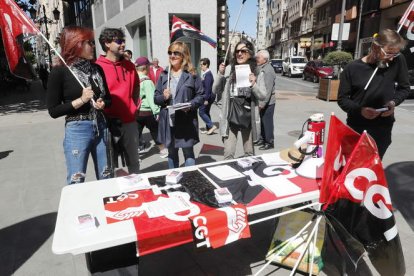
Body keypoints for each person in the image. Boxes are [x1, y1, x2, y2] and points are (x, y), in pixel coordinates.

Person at [47, 26, 112, 184]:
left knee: (107, 176)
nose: (93, 46)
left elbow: (109, 98)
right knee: (77, 179)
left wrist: (103, 103)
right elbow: (53, 110)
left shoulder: (96, 69)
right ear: (76, 44)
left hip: (101, 126)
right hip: (77, 129)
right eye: (89, 42)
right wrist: (81, 100)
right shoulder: (60, 72)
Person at [338, 29, 410, 159]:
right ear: (376, 47)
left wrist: (394, 102)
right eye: (388, 53)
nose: (392, 57)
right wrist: (360, 110)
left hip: (383, 127)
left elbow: (404, 88)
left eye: (396, 54)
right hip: (357, 126)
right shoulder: (352, 68)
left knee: (374, 166)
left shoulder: (398, 61)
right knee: (352, 166)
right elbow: (342, 99)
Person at [96, 28, 141, 174]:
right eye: (119, 41)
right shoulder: (97, 67)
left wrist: (135, 107)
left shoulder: (130, 65)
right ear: (107, 43)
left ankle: (137, 191)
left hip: (129, 121)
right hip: (107, 123)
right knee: (110, 164)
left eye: (124, 41)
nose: (123, 44)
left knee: (134, 162)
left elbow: (136, 89)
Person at [212, 40, 266, 160]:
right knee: (228, 154)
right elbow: (214, 89)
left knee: (249, 154)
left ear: (250, 53)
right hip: (230, 115)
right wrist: (220, 74)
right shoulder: (229, 69)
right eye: (237, 51)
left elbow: (263, 95)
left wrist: (254, 85)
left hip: (248, 117)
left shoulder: (257, 71)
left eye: (243, 51)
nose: (239, 54)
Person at [154, 41, 204, 168]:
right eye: (170, 53)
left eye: (176, 53)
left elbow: (201, 95)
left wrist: (191, 105)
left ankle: (191, 180)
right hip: (168, 121)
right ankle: (173, 181)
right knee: (171, 153)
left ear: (184, 55)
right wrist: (163, 97)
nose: (172, 55)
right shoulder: (164, 75)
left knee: (188, 152)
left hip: (186, 119)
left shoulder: (192, 75)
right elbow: (156, 98)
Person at [134, 56, 168, 158]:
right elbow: (151, 98)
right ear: (145, 68)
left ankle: (135, 156)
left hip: (137, 112)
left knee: (136, 134)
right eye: (149, 66)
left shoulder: (134, 79)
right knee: (155, 131)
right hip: (148, 112)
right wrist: (157, 112)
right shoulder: (147, 81)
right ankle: (163, 150)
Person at [255, 50, 277, 150]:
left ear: (265, 59)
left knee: (267, 122)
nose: (257, 58)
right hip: (263, 100)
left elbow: (268, 90)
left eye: (259, 57)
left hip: (268, 102)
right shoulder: (262, 68)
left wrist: (263, 103)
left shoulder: (268, 70)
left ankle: (269, 142)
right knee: (263, 121)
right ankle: (263, 139)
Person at [198, 58, 217, 135]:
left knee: (201, 112)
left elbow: (208, 88)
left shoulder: (208, 75)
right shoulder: (206, 73)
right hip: (208, 96)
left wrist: (206, 99)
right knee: (206, 111)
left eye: (201, 65)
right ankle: (209, 128)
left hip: (207, 97)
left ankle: (211, 126)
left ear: (206, 65)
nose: (200, 66)